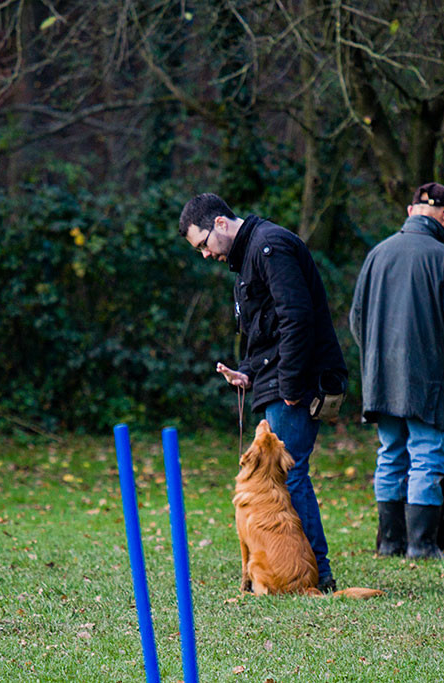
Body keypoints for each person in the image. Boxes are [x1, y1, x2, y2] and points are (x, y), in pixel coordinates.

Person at [179, 193, 348, 590]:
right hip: (279, 381)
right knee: (289, 477)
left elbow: (296, 318)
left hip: (299, 384)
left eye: (203, 244)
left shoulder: (270, 248)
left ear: (220, 223)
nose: (204, 255)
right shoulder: (250, 256)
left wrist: (289, 384)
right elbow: (266, 333)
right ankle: (306, 573)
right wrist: (247, 372)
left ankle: (316, 576)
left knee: (291, 476)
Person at [349, 182, 444, 560]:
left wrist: (377, 357)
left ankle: (389, 543)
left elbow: (356, 321)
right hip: (427, 379)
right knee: (428, 454)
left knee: (390, 452)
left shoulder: (376, 255)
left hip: (380, 378)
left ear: (410, 213)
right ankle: (422, 546)